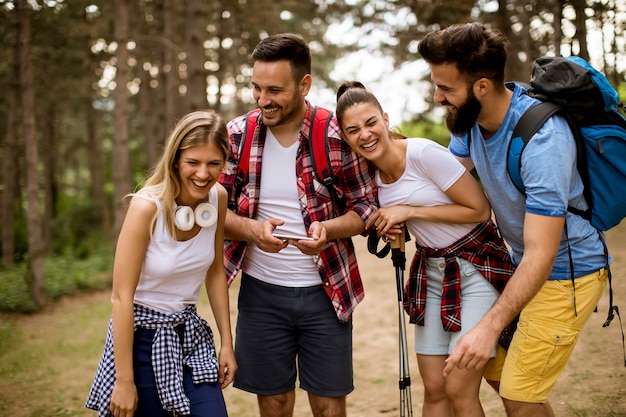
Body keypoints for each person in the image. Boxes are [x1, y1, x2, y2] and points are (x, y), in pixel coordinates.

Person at [418, 23, 609, 417]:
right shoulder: (468, 122)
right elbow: (444, 185)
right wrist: (398, 212)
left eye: (446, 89)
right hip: (522, 264)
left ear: (482, 87)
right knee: (494, 371)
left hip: (567, 273)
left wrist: (489, 325)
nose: (438, 98)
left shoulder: (543, 140)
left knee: (520, 393)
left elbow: (543, 251)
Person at [218, 33, 378, 417]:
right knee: (273, 404)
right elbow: (212, 214)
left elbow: (366, 207)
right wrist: (252, 230)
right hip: (260, 295)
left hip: (326, 292)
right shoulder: (236, 136)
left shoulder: (335, 136)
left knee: (327, 407)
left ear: (304, 84)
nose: (262, 100)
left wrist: (329, 230)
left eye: (274, 90)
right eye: (256, 88)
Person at [335, 81, 515, 417]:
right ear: (345, 138)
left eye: (371, 122)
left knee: (459, 387)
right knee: (434, 389)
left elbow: (479, 210)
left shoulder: (422, 153)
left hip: (475, 268)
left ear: (385, 118)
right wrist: (395, 229)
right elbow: (401, 225)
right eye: (353, 129)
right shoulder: (371, 177)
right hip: (432, 272)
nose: (365, 134)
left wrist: (410, 211)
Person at [86, 110, 237, 417]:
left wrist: (226, 343)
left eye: (213, 164)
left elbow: (215, 271)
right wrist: (124, 381)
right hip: (140, 341)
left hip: (189, 335)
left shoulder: (217, 198)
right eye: (193, 162)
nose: (203, 174)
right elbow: (120, 297)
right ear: (176, 160)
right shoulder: (146, 207)